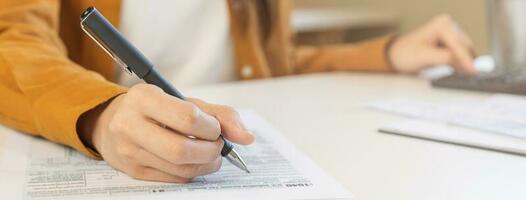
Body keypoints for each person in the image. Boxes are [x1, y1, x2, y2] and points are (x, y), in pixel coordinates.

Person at [0, 0, 476, 183]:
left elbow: (278, 62)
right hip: (117, 145)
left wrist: (389, 52)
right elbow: (13, 41)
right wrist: (103, 113)